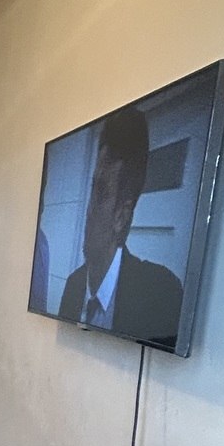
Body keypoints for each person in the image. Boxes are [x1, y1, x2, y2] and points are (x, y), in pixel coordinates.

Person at [59, 105, 182, 346]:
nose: (89, 210)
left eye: (102, 193)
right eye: (93, 189)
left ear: (121, 217)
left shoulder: (162, 293)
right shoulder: (73, 285)